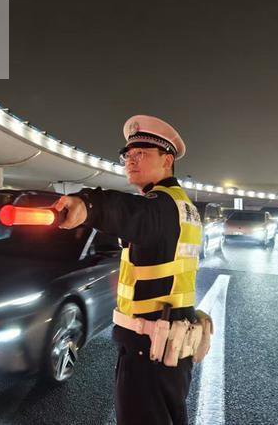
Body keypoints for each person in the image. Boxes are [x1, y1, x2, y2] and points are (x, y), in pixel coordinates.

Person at [54, 114, 204, 425]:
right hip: (169, 346)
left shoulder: (161, 206)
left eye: (142, 153)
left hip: (149, 351)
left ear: (167, 160)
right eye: (128, 154)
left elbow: (129, 212)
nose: (131, 160)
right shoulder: (182, 206)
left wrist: (87, 206)